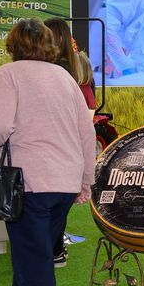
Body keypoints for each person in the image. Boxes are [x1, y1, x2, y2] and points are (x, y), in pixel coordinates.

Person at [0, 18, 94, 286]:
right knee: (32, 257)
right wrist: (86, 181)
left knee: (34, 265)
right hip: (64, 183)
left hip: (30, 184)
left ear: (13, 45)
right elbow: (86, 132)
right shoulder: (64, 77)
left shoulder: (9, 74)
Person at [43, 17, 96, 268]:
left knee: (48, 208)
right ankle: (54, 251)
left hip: (52, 152)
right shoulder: (69, 70)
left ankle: (51, 251)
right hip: (67, 153)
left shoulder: (54, 71)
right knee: (57, 207)